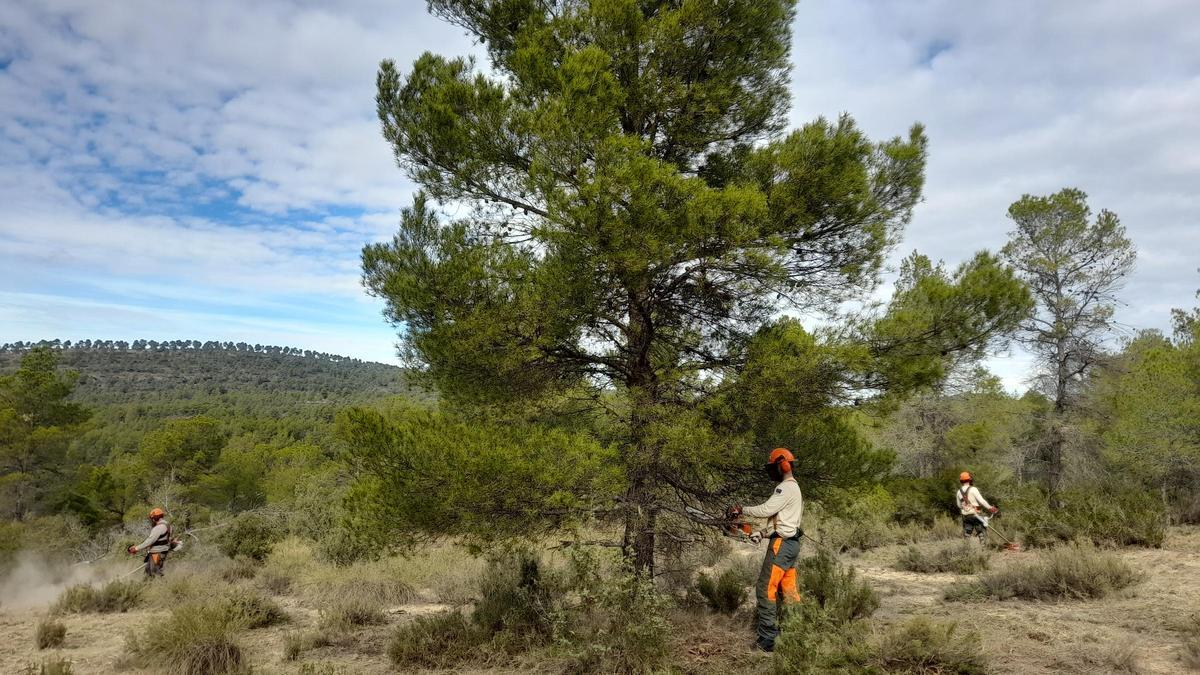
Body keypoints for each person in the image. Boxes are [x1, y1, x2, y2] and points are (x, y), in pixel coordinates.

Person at [730, 447, 804, 653]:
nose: (772, 471)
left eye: (774, 466)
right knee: (789, 591)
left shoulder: (786, 488)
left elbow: (766, 510)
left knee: (765, 589)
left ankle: (768, 640)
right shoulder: (793, 488)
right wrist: (762, 533)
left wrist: (741, 509)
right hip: (790, 544)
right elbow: (779, 519)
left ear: (783, 465)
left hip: (782, 544)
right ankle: (797, 631)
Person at [128, 507, 175, 577]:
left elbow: (149, 541)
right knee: (148, 571)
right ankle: (148, 586)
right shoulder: (168, 525)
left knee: (155, 573)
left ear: (155, 518)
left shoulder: (159, 527)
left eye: (152, 518)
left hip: (157, 553)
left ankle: (162, 586)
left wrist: (136, 548)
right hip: (160, 552)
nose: (151, 520)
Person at [957, 472, 997, 542]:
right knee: (981, 533)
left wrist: (966, 507)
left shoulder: (958, 492)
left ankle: (966, 549)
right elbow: (982, 501)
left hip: (966, 516)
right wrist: (991, 508)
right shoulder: (973, 489)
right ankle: (983, 549)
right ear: (970, 479)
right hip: (976, 514)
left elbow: (959, 505)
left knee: (967, 535)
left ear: (961, 481)